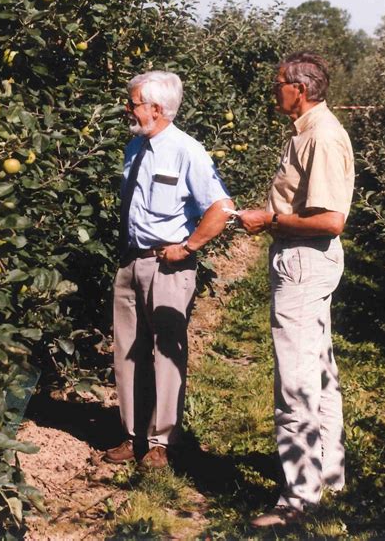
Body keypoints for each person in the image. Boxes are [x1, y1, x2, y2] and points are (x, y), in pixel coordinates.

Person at [239, 52, 354, 527]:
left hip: (305, 263)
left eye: (278, 83)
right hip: (305, 262)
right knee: (319, 368)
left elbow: (331, 220)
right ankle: (329, 471)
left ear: (299, 88)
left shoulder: (322, 137)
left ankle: (299, 497)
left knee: (295, 379)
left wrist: (270, 219)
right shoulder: (306, 132)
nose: (274, 90)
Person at [106, 70, 234, 470]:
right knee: (127, 351)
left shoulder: (187, 151)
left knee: (165, 352)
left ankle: (162, 442)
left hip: (167, 264)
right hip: (132, 260)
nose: (128, 109)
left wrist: (190, 246)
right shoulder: (135, 148)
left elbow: (222, 208)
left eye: (134, 104)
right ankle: (133, 435)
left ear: (157, 109)